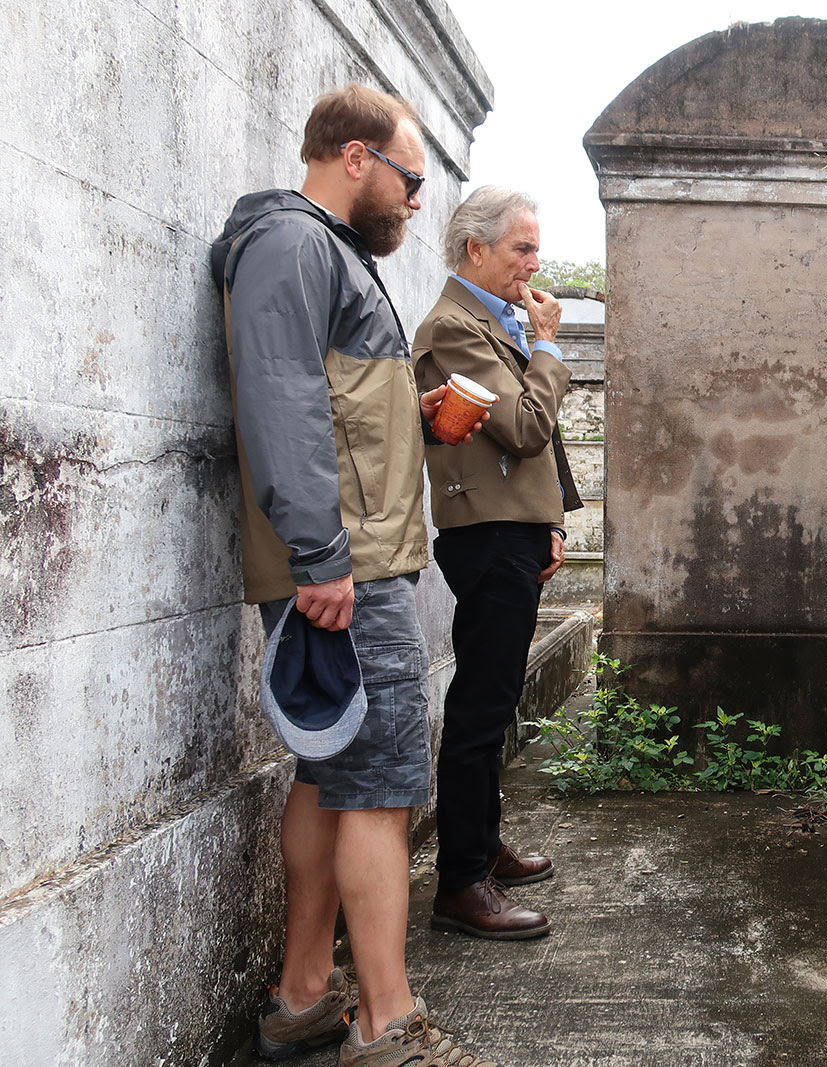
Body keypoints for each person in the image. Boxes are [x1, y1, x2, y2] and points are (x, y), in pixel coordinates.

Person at [212, 84, 497, 1066]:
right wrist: (322, 555)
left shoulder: (319, 249)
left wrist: (409, 416)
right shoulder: (295, 243)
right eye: (410, 179)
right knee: (379, 782)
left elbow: (330, 398)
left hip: (344, 554)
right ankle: (388, 1025)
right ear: (356, 157)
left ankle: (302, 998)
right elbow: (283, 396)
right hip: (346, 563)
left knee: (331, 773)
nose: (418, 199)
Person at [413, 186, 581, 939]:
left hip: (512, 528)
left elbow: (533, 447)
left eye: (535, 248)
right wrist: (548, 345)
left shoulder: (489, 320)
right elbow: (525, 426)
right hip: (486, 536)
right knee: (481, 706)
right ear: (474, 249)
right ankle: (460, 881)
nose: (534, 263)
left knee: (497, 695)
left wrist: (550, 520)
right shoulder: (453, 328)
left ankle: (483, 848)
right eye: (522, 248)